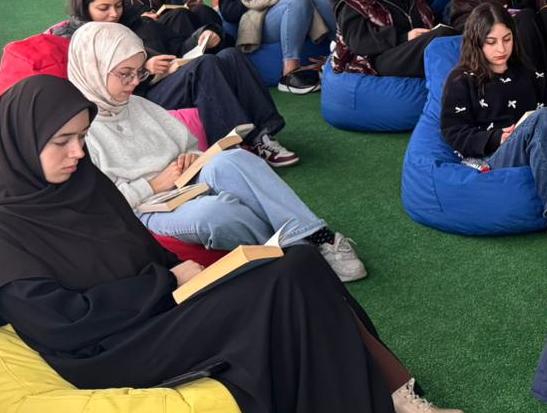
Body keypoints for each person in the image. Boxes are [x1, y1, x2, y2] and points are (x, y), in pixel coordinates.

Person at [0, 76, 467, 413]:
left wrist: (181, 272)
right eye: (62, 141)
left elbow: (141, 251)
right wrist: (163, 283)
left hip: (158, 310)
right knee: (284, 282)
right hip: (109, 348)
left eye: (82, 137)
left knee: (300, 260)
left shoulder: (84, 183)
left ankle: (390, 391)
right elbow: (61, 323)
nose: (78, 152)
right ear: (19, 142)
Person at [65, 22, 366, 280]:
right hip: (147, 208)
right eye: (125, 74)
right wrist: (154, 185)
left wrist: (190, 159)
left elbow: (190, 146)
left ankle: (316, 235)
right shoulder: (76, 128)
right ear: (94, 68)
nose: (134, 83)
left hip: (185, 182)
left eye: (138, 73)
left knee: (231, 159)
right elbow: (97, 207)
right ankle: (298, 253)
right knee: (216, 213)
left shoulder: (139, 105)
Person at [50, 0, 298, 167]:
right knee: (206, 66)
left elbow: (177, 47)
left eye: (118, 5)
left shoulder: (136, 21)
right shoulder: (78, 38)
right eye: (104, 8)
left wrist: (202, 37)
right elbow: (94, 82)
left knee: (230, 55)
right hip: (134, 98)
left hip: (162, 81)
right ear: (84, 6)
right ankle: (233, 145)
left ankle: (264, 135)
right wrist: (145, 70)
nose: (114, 14)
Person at [439, 4, 547, 247]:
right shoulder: (461, 79)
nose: (501, 48)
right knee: (544, 117)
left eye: (507, 39)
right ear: (476, 42)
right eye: (491, 42)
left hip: (541, 141)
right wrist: (496, 137)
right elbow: (453, 132)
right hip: (495, 156)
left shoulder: (526, 70)